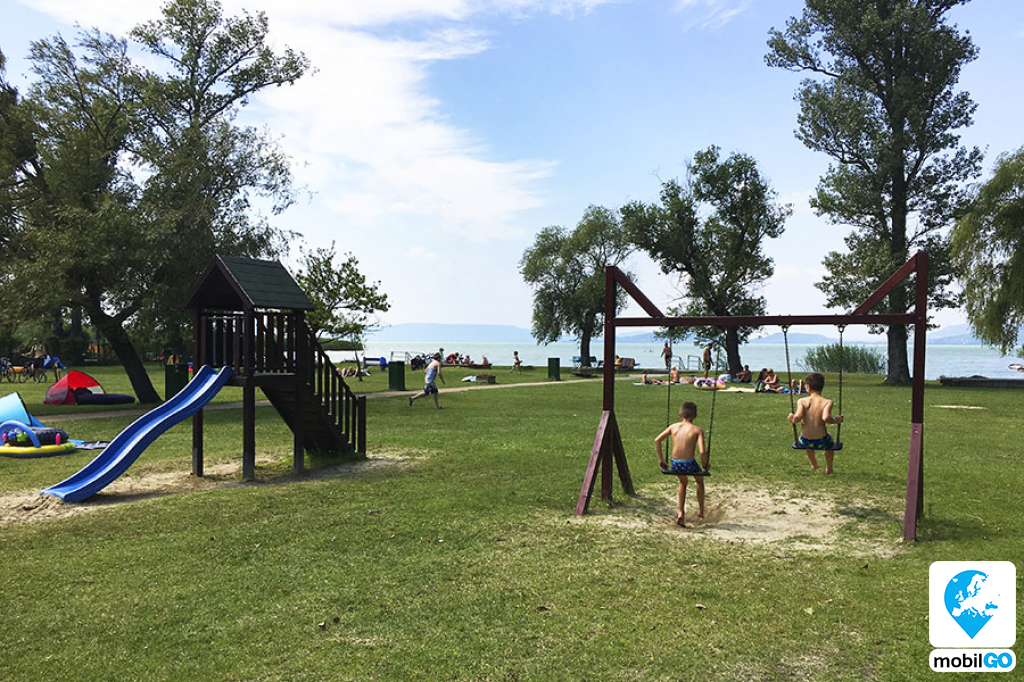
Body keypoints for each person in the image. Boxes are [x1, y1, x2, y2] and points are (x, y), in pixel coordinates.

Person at [654, 401, 708, 527]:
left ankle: (680, 512)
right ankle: (701, 510)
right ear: (695, 416)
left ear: (680, 414)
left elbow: (657, 440)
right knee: (699, 481)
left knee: (683, 482)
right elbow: (702, 452)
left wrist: (661, 460)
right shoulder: (697, 430)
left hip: (676, 463)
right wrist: (705, 465)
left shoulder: (673, 427)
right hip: (689, 463)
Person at [787, 372, 843, 475]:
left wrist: (792, 418)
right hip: (822, 441)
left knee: (809, 446)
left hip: (805, 441)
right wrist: (836, 420)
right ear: (822, 387)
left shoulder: (802, 401)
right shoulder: (827, 402)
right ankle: (829, 468)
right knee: (830, 440)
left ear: (807, 387)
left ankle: (813, 463)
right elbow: (826, 418)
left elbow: (797, 418)